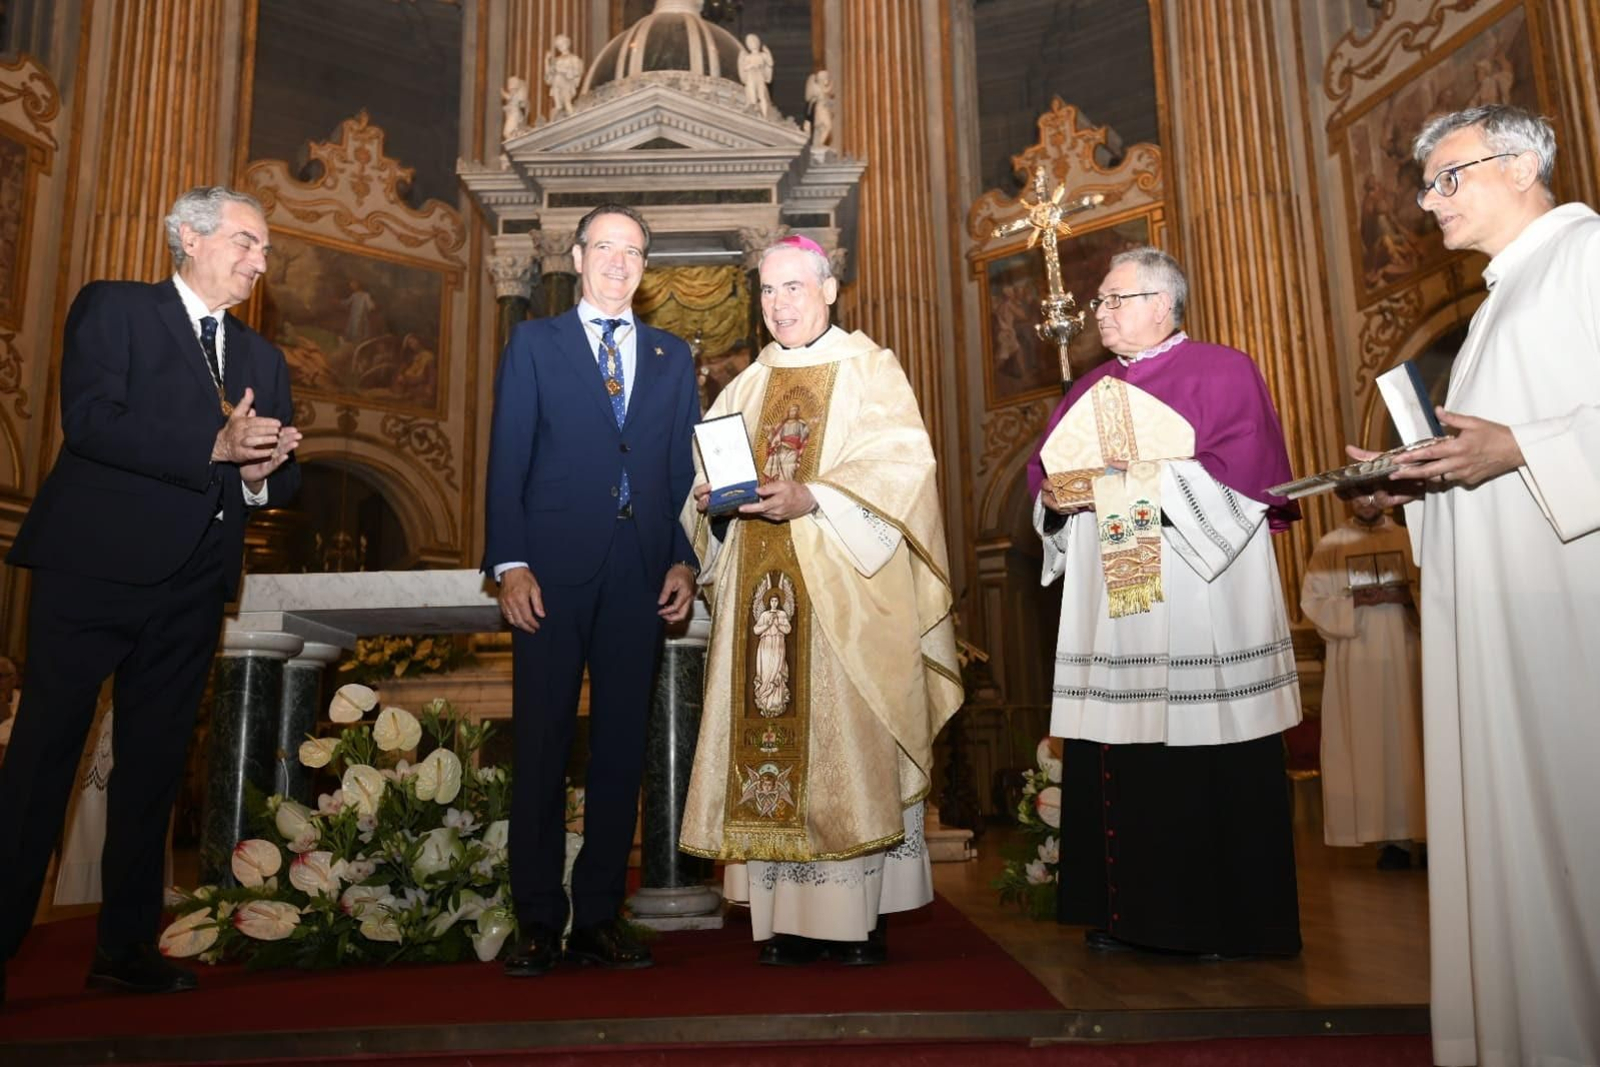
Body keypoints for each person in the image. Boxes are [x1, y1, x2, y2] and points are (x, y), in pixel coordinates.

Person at [0, 185, 301, 1007]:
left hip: (194, 586)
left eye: (265, 248)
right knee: (43, 757)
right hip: (93, 569)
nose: (260, 261)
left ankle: (126, 947)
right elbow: (91, 421)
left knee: (154, 770)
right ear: (189, 236)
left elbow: (278, 475)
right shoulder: (118, 309)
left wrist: (261, 472)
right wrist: (214, 443)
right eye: (247, 241)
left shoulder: (264, 358)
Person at [1353, 104, 1599, 1067]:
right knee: (1518, 835)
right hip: (1504, 621)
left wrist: (1521, 447)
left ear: (1521, 167)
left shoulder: (1583, 256)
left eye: (1447, 178)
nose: (1428, 203)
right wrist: (1414, 482)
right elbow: (1487, 459)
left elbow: (1524, 445)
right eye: (1426, 185)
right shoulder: (1502, 299)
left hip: (1565, 615)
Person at [680, 235, 963, 966]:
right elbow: (703, 492)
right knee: (771, 743)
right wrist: (710, 503)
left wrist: (814, 497)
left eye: (794, 288)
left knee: (847, 752)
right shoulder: (745, 387)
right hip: (761, 606)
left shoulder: (871, 371)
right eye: (767, 291)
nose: (779, 305)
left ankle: (859, 920)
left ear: (829, 290)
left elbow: (905, 470)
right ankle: (786, 921)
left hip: (845, 601)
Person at [1026, 246, 1303, 961]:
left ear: (1162, 303)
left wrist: (1141, 477)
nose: (1102, 314)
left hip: (1194, 597)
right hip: (1114, 613)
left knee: (1199, 757)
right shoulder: (1089, 390)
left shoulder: (1223, 370)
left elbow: (1246, 485)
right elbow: (1048, 481)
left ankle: (1218, 923)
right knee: (1125, 756)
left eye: (1115, 300)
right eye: (1101, 301)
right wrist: (1054, 500)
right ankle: (1129, 916)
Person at [483, 203, 699, 977]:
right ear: (576, 257)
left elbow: (682, 472)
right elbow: (508, 455)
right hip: (548, 574)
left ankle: (600, 916)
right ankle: (538, 919)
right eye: (605, 246)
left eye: (633, 250)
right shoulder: (534, 343)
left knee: (620, 751)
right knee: (542, 746)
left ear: (645, 266)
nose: (618, 261)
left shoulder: (673, 356)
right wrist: (509, 562)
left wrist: (683, 560)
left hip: (640, 576)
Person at [1299, 495, 1425, 868]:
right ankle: (1390, 841)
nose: (1367, 502)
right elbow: (1312, 601)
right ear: (1347, 498)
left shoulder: (1408, 537)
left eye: (1373, 493)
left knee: (1413, 738)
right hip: (1357, 661)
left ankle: (1428, 834)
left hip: (1406, 657)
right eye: (1359, 494)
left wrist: (1407, 596)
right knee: (1371, 742)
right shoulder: (1331, 545)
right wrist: (1354, 602)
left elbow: (1435, 588)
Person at [739, 33, 774, 119]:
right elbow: (744, 68)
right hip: (751, 77)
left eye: (754, 41)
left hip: (760, 76)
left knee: (762, 96)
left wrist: (768, 53)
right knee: (752, 95)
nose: (752, 44)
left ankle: (765, 116)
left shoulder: (763, 55)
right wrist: (751, 66)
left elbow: (770, 64)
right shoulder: (747, 57)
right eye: (750, 42)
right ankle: (754, 111)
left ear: (758, 42)